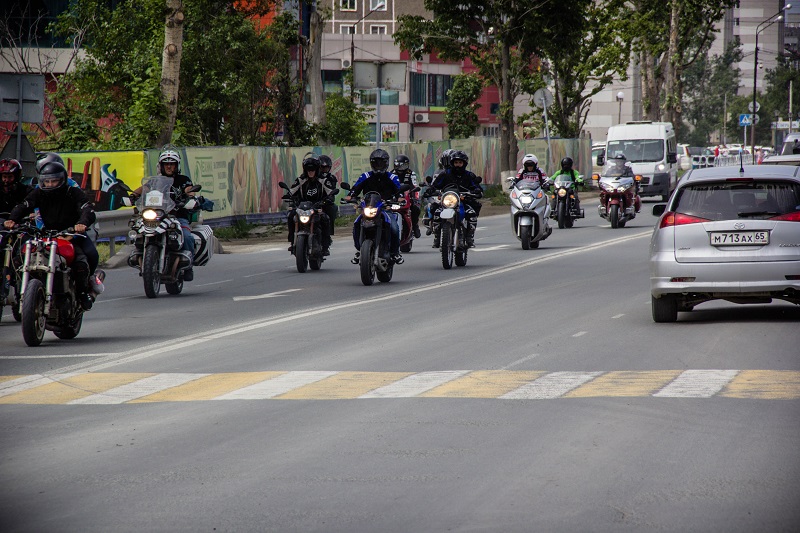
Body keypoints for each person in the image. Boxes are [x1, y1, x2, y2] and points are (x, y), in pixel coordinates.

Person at [3, 159, 98, 310]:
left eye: (54, 181)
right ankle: (24, 293)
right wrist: (12, 219)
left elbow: (87, 209)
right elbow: (24, 205)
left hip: (70, 234)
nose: (51, 184)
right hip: (46, 234)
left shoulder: (73, 192)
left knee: (88, 257)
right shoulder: (38, 193)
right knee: (18, 259)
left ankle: (84, 291)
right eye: (47, 181)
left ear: (62, 179)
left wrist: (82, 224)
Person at [130, 148, 197, 281]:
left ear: (177, 165)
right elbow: (145, 188)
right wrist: (133, 195)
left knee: (188, 237)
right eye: (166, 164)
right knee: (138, 231)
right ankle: (141, 256)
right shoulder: (156, 181)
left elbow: (189, 189)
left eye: (172, 163)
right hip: (158, 215)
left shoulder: (183, 179)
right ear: (161, 165)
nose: (169, 166)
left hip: (177, 216)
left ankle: (189, 268)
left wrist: (191, 195)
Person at [344, 148, 403, 264]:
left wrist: (400, 198)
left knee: (394, 228)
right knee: (356, 224)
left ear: (386, 163)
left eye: (381, 163)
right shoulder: (365, 176)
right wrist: (350, 196)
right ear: (372, 163)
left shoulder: (392, 177)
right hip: (368, 208)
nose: (379, 165)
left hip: (385, 208)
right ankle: (359, 250)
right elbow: (355, 189)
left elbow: (398, 190)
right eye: (376, 163)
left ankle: (395, 253)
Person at [428, 150, 483, 248]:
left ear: (464, 163)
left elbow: (476, 186)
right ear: (452, 163)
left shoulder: (469, 175)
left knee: (471, 214)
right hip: (447, 201)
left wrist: (477, 191)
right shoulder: (445, 174)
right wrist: (430, 190)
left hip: (463, 201)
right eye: (456, 162)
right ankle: (437, 237)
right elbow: (435, 185)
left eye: (460, 163)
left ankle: (470, 237)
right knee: (436, 212)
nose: (458, 165)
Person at [286, 155, 336, 256]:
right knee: (290, 215)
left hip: (317, 208)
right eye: (308, 169)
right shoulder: (300, 180)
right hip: (302, 208)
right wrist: (288, 195)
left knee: (325, 219)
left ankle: (325, 246)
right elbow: (292, 191)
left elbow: (330, 192)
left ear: (317, 169)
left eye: (313, 169)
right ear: (305, 170)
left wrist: (328, 199)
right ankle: (292, 241)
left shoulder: (323, 180)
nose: (310, 171)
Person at [391, 154, 421, 238]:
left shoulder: (411, 173)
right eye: (399, 165)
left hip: (408, 195)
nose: (401, 168)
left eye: (403, 165)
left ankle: (415, 226)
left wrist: (415, 197)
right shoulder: (391, 174)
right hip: (395, 196)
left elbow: (414, 185)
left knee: (415, 209)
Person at [317, 154, 339, 239]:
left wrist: (329, 198)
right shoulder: (312, 176)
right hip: (311, 202)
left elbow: (332, 191)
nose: (324, 170)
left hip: (324, 202)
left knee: (333, 208)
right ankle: (293, 239)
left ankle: (328, 233)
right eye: (322, 167)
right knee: (292, 214)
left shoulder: (331, 178)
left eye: (326, 168)